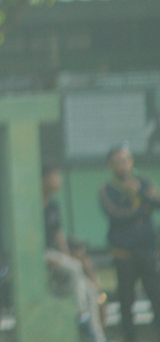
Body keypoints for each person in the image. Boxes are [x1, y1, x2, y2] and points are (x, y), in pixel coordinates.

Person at [101, 142, 160, 342]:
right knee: (126, 300)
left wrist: (140, 194)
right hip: (124, 253)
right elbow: (116, 215)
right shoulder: (107, 189)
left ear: (131, 161)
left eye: (126, 160)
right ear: (110, 165)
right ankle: (130, 337)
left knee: (156, 296)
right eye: (118, 162)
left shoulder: (145, 183)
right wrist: (143, 209)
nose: (123, 165)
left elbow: (157, 202)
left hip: (148, 251)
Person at [43, 162, 108, 342]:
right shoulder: (33, 203)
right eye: (55, 175)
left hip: (55, 255)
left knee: (88, 288)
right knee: (74, 268)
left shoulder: (53, 205)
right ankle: (81, 316)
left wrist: (65, 255)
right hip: (38, 255)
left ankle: (96, 335)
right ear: (44, 178)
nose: (59, 180)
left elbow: (59, 235)